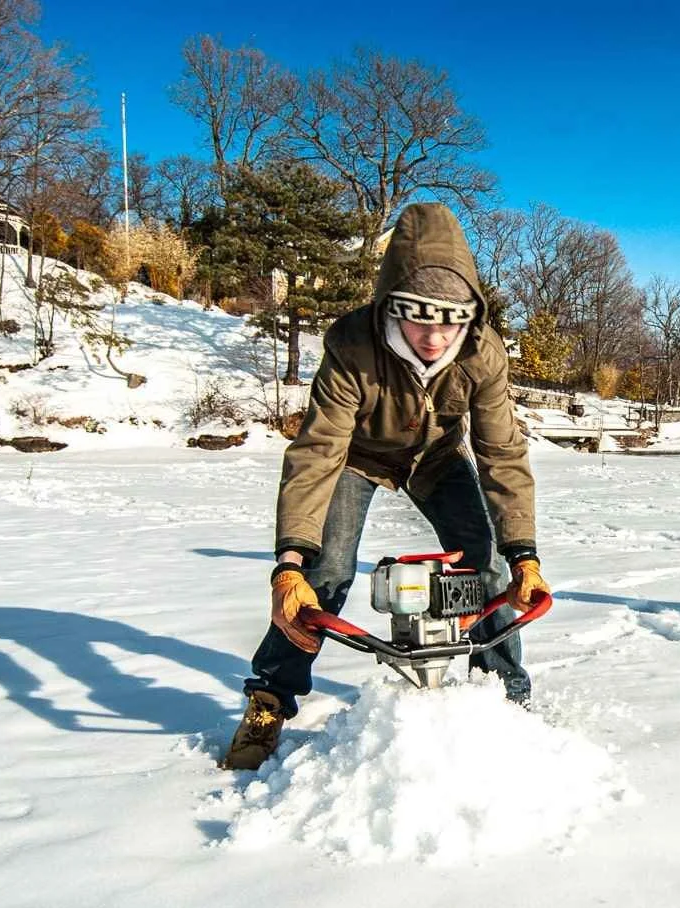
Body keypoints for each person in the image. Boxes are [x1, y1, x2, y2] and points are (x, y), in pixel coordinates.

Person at [221, 202, 550, 770]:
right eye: (418, 318)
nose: (434, 336)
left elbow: (502, 452)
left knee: (490, 566)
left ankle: (504, 699)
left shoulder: (483, 353)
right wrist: (289, 563)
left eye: (450, 320)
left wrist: (525, 554)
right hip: (359, 457)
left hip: (437, 458)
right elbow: (318, 450)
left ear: (470, 316)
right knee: (324, 572)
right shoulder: (353, 345)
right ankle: (270, 699)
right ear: (391, 306)